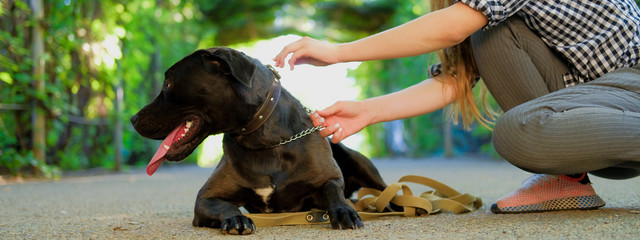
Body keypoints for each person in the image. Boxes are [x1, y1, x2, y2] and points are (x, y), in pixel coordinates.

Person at [273, 0, 640, 214]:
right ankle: (568, 180)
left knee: (516, 134)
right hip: (602, 109)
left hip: (629, 90)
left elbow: (451, 28)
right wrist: (369, 111)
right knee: (488, 34)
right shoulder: (492, 19)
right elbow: (457, 77)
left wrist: (338, 52)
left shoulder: (473, 12)